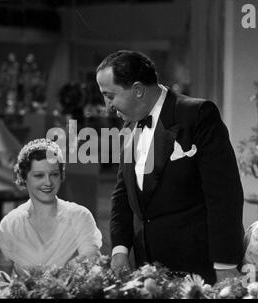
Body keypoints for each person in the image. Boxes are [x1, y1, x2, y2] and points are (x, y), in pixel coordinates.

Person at [96, 50, 244, 284]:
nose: (107, 106)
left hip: (196, 271)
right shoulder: (128, 126)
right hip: (146, 270)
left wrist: (225, 264)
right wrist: (120, 251)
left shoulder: (197, 115)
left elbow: (224, 195)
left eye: (109, 95)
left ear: (137, 90)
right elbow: (123, 195)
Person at [0, 139, 102, 281]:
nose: (48, 182)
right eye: (39, 175)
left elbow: (92, 260)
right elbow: (2, 272)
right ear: (24, 177)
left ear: (61, 175)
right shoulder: (10, 223)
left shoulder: (79, 215)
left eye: (54, 174)